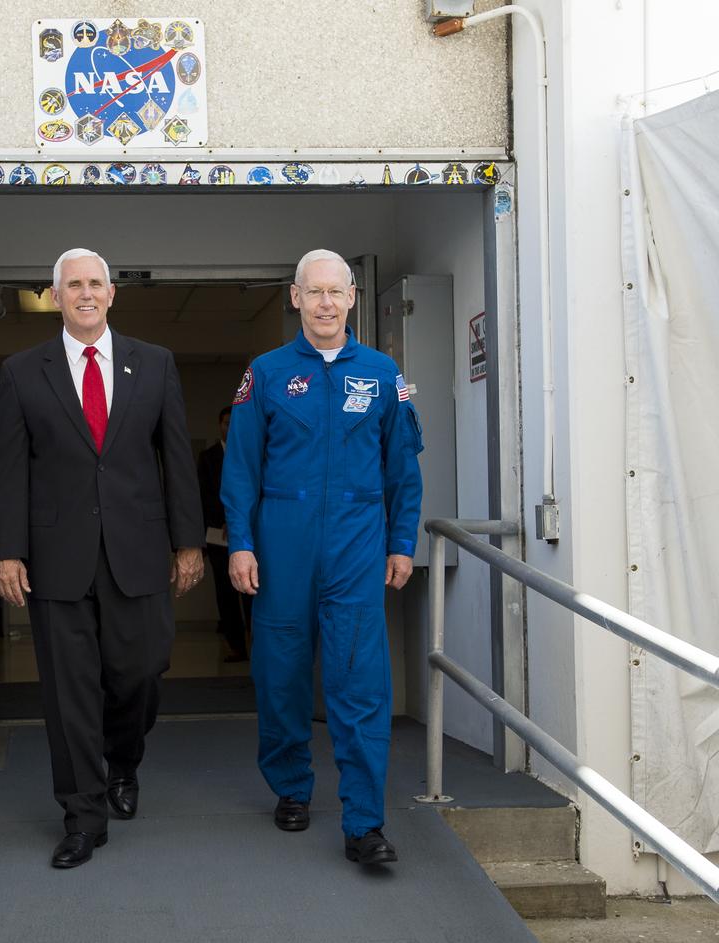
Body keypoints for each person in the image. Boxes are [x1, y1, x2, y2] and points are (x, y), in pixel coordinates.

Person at [0, 248, 205, 869]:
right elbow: (7, 472)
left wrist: (188, 542)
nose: (85, 293)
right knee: (68, 692)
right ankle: (83, 817)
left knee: (139, 672)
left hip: (138, 553)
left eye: (95, 284)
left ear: (112, 295)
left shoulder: (154, 364)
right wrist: (8, 552)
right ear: (55, 296)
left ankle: (124, 762)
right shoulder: (26, 371)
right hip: (57, 559)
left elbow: (176, 460)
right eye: (72, 284)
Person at [222, 248, 423, 866]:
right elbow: (241, 468)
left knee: (361, 683)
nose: (326, 304)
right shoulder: (267, 372)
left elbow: (403, 472)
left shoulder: (385, 373)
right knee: (279, 675)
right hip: (283, 548)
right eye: (315, 293)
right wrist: (242, 542)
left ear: (353, 297)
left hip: (357, 548)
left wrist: (401, 542)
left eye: (336, 292)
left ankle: (364, 823)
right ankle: (291, 786)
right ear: (295, 297)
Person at [196, 405, 249, 662]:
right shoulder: (208, 457)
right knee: (226, 595)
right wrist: (224, 520)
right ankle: (236, 646)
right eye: (225, 422)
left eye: (233, 422)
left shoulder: (250, 453)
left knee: (252, 592)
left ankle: (255, 643)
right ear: (219, 425)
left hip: (248, 536)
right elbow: (203, 496)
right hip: (218, 536)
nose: (229, 427)